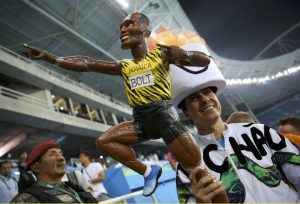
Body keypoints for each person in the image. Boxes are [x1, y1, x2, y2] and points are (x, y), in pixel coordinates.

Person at [22, 12, 222, 198]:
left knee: (200, 175)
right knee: (104, 141)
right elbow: (88, 63)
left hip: (165, 118)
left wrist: (185, 55)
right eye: (121, 27)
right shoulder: (124, 66)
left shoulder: (162, 56)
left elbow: (205, 61)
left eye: (129, 24)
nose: (123, 30)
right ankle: (148, 171)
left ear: (146, 29)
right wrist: (52, 58)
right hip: (140, 121)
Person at [170, 43, 300, 203]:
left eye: (207, 92)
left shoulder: (258, 132)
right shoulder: (188, 163)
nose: (204, 99)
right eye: (194, 98)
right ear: (187, 113)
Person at [11, 140, 97, 203]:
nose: (61, 158)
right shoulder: (26, 199)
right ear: (36, 167)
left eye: (61, 154)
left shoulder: (73, 188)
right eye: (52, 154)